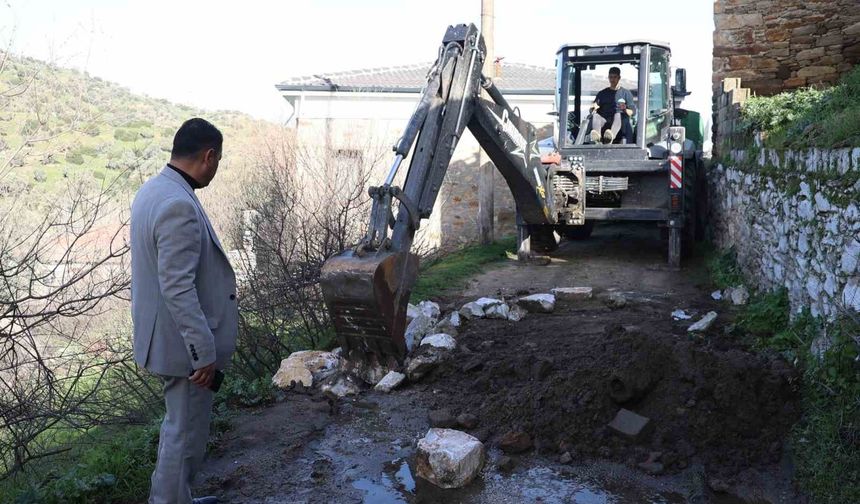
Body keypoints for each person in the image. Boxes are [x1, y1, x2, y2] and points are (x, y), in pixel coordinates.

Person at [131, 118, 238, 504]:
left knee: (179, 428)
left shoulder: (153, 190)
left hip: (163, 340)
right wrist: (203, 352)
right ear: (209, 156)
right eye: (218, 160)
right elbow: (177, 287)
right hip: (183, 349)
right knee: (185, 434)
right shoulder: (178, 203)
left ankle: (177, 498)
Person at [587, 66, 636, 144]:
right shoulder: (602, 93)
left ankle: (610, 137)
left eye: (615, 77)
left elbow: (633, 112)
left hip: (619, 122)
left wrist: (624, 109)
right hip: (604, 120)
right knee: (595, 116)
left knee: (617, 114)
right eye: (610, 77)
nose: (612, 79)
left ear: (619, 78)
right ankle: (597, 138)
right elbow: (593, 107)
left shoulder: (626, 93)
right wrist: (593, 108)